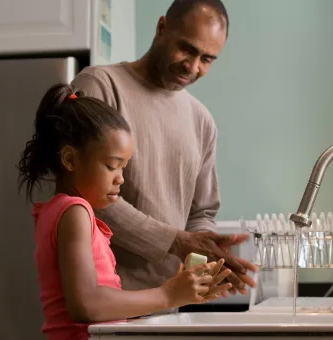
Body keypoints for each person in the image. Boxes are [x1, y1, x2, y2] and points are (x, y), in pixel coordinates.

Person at [71, 0, 257, 297]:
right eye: (187, 49)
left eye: (207, 59)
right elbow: (84, 193)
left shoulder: (202, 121)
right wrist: (176, 241)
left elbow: (201, 212)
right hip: (103, 300)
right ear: (161, 28)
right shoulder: (99, 86)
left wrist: (208, 252)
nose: (193, 67)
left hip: (168, 303)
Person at [17, 83, 232, 340]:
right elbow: (86, 304)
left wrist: (175, 291)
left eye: (123, 168)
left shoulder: (57, 211)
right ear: (70, 160)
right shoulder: (75, 212)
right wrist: (168, 295)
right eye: (112, 166)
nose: (121, 179)